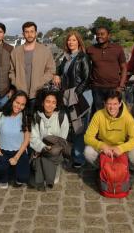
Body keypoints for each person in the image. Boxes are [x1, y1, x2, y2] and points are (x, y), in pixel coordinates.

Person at [53, 31, 91, 168]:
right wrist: (56, 75)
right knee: (69, 127)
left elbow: (86, 79)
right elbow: (60, 71)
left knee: (78, 128)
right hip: (68, 95)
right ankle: (70, 154)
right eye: (69, 40)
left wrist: (76, 94)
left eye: (74, 40)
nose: (71, 42)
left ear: (79, 42)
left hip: (79, 96)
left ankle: (78, 158)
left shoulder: (83, 57)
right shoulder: (66, 58)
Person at [84, 90, 134, 170]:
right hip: (104, 147)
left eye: (115, 104)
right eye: (109, 104)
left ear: (120, 104)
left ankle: (127, 169)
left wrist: (121, 148)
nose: (112, 107)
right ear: (104, 104)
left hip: (121, 148)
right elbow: (87, 137)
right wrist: (102, 146)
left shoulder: (128, 117)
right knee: (88, 151)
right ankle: (102, 168)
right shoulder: (98, 115)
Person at [9, 22, 55, 113]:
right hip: (20, 93)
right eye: (26, 32)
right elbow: (11, 71)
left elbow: (51, 70)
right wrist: (16, 83)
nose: (29, 34)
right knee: (21, 122)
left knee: (36, 122)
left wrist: (40, 82)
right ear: (23, 34)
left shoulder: (45, 51)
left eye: (32, 31)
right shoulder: (16, 52)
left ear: (36, 33)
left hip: (38, 93)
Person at [30, 87, 69, 191]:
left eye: (53, 102)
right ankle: (46, 174)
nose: (50, 105)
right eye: (47, 101)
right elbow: (34, 137)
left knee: (51, 153)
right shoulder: (36, 116)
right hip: (41, 148)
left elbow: (63, 138)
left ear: (56, 104)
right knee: (42, 154)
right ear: (42, 103)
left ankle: (52, 171)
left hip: (56, 149)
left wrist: (51, 148)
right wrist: (43, 147)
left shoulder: (62, 116)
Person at [0, 90, 31, 188]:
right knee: (1, 167)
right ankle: (4, 177)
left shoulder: (25, 117)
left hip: (19, 151)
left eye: (22, 104)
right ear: (12, 100)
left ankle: (15, 171)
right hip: (3, 151)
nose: (19, 106)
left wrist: (16, 157)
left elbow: (26, 140)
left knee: (23, 178)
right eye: (17, 102)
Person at [87, 26, 127, 113]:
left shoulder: (117, 49)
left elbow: (124, 68)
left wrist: (121, 86)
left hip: (114, 88)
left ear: (108, 35)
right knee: (99, 113)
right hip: (97, 88)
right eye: (97, 34)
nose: (99, 36)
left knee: (115, 112)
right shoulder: (90, 49)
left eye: (102, 34)